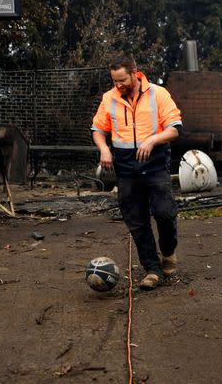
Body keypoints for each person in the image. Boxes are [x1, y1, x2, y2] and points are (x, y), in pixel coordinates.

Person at [91, 54, 183, 289]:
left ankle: (169, 252)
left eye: (122, 80)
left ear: (134, 73)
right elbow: (98, 129)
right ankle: (152, 269)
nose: (118, 85)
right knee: (136, 220)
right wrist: (104, 149)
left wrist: (152, 141)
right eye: (114, 81)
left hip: (154, 163)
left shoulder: (158, 94)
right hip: (125, 167)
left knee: (164, 213)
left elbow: (174, 129)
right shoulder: (109, 98)